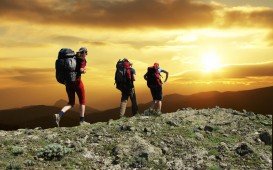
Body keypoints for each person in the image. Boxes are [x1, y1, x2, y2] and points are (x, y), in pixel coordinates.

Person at [55, 47, 88, 126]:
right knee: (82, 100)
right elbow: (81, 70)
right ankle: (82, 121)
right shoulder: (82, 60)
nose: (86, 54)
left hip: (68, 83)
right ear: (84, 53)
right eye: (86, 53)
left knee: (71, 102)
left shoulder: (73, 58)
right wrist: (84, 70)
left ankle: (59, 115)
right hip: (77, 82)